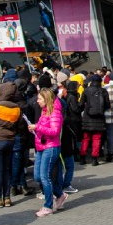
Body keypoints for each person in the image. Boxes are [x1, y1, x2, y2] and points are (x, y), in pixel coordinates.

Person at [30, 88, 66, 217]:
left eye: (40, 98)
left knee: (45, 177)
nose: (37, 101)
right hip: (42, 147)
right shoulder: (44, 112)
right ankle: (60, 195)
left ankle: (48, 206)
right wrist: (35, 129)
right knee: (38, 177)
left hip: (50, 147)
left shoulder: (55, 112)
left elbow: (55, 131)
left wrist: (38, 127)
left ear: (46, 99)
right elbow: (45, 128)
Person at [80, 75, 109, 166]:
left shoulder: (86, 90)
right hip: (99, 118)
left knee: (86, 138)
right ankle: (94, 159)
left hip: (87, 118)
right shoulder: (103, 91)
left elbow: (81, 104)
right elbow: (108, 105)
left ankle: (83, 158)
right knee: (97, 138)